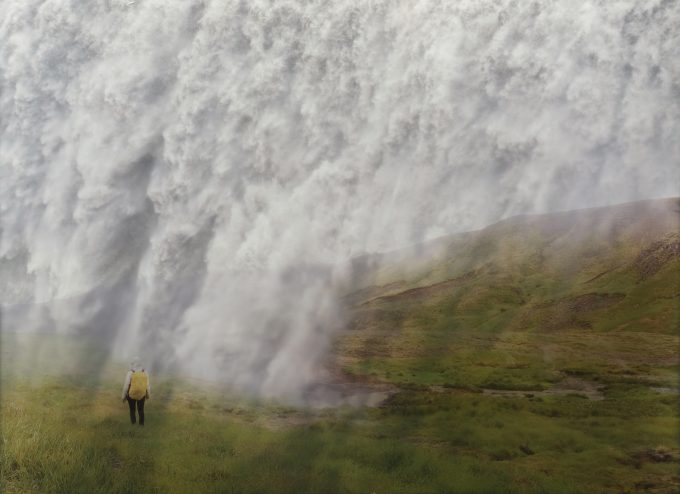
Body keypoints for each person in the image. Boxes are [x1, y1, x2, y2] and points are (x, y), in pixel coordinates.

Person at [121, 357, 150, 426]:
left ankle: (133, 424)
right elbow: (147, 385)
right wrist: (148, 395)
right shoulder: (145, 372)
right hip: (142, 394)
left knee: (132, 410)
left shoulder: (130, 372)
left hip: (131, 395)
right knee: (141, 410)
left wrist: (123, 397)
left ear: (132, 364)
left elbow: (126, 386)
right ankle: (141, 425)